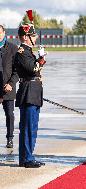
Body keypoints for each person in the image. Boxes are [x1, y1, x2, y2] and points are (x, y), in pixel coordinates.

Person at [14, 22, 46, 168]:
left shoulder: (28, 52)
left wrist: (39, 59)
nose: (36, 37)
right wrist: (40, 60)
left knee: (32, 127)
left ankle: (28, 157)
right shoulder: (22, 52)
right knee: (28, 128)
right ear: (26, 37)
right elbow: (32, 69)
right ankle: (27, 159)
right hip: (28, 92)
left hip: (33, 92)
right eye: (33, 35)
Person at [0, 25, 18, 148]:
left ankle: (10, 138)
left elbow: (17, 70)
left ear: (4, 33)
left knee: (9, 115)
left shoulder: (12, 48)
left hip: (8, 89)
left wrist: (11, 83)